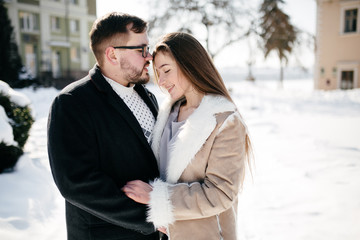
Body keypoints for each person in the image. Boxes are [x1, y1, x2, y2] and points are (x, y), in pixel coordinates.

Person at [122, 32, 253, 240]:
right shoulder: (167, 114)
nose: (162, 81)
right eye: (158, 73)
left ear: (190, 65)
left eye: (166, 71)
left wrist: (157, 197)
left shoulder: (224, 121)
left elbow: (220, 194)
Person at [47, 12, 161, 240]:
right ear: (112, 54)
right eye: (141, 49)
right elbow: (77, 183)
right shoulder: (72, 102)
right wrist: (150, 219)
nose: (149, 57)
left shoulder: (149, 97)